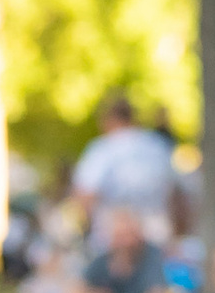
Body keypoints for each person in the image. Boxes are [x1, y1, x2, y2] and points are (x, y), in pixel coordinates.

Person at [70, 93, 176, 232]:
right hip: (157, 232)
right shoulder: (158, 146)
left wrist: (85, 226)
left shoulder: (103, 148)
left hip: (113, 236)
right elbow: (177, 192)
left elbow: (86, 193)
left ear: (109, 120)